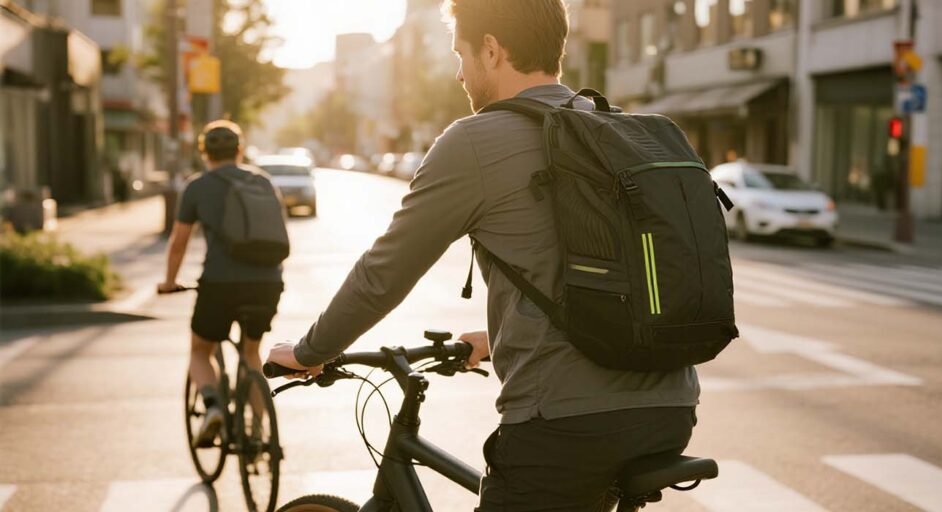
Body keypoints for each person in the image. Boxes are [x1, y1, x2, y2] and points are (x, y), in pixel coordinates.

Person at [266, 0, 699, 509]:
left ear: (491, 51)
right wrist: (498, 337)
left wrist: (310, 350)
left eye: (461, 54)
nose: (459, 73)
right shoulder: (614, 131)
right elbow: (600, 273)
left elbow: (384, 272)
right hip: (671, 407)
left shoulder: (475, 141)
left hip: (564, 423)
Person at [159, 120, 285, 448]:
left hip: (219, 284)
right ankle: (257, 431)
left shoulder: (197, 187)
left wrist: (170, 282)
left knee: (200, 349)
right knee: (252, 352)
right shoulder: (263, 181)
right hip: (267, 282)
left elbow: (179, 242)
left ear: (205, 153)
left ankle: (213, 407)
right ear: (239, 150)